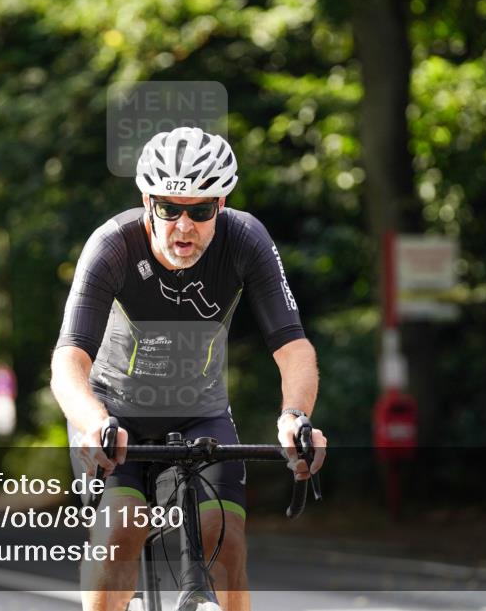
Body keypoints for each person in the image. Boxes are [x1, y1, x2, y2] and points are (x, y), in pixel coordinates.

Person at [51, 126, 327, 611]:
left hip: (201, 413)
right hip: (113, 415)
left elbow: (292, 345)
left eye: (200, 211)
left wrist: (295, 417)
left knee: (226, 537)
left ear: (221, 204)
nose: (184, 226)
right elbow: (69, 358)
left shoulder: (246, 240)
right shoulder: (113, 245)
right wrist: (93, 422)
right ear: (147, 201)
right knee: (121, 530)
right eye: (169, 209)